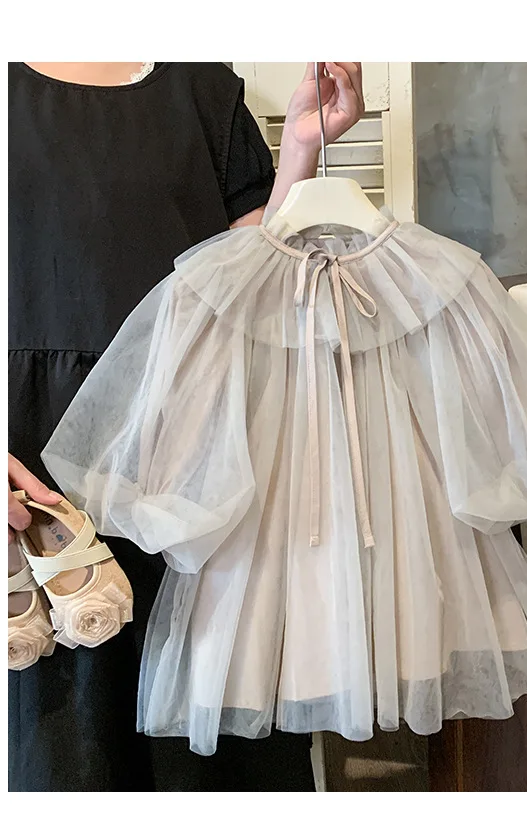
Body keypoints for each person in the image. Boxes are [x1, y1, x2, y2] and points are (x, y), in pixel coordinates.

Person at [8, 61, 365, 792]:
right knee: (64, 741)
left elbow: (254, 278)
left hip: (196, 432)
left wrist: (302, 147)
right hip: (30, 453)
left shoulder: (205, 89)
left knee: (213, 741)